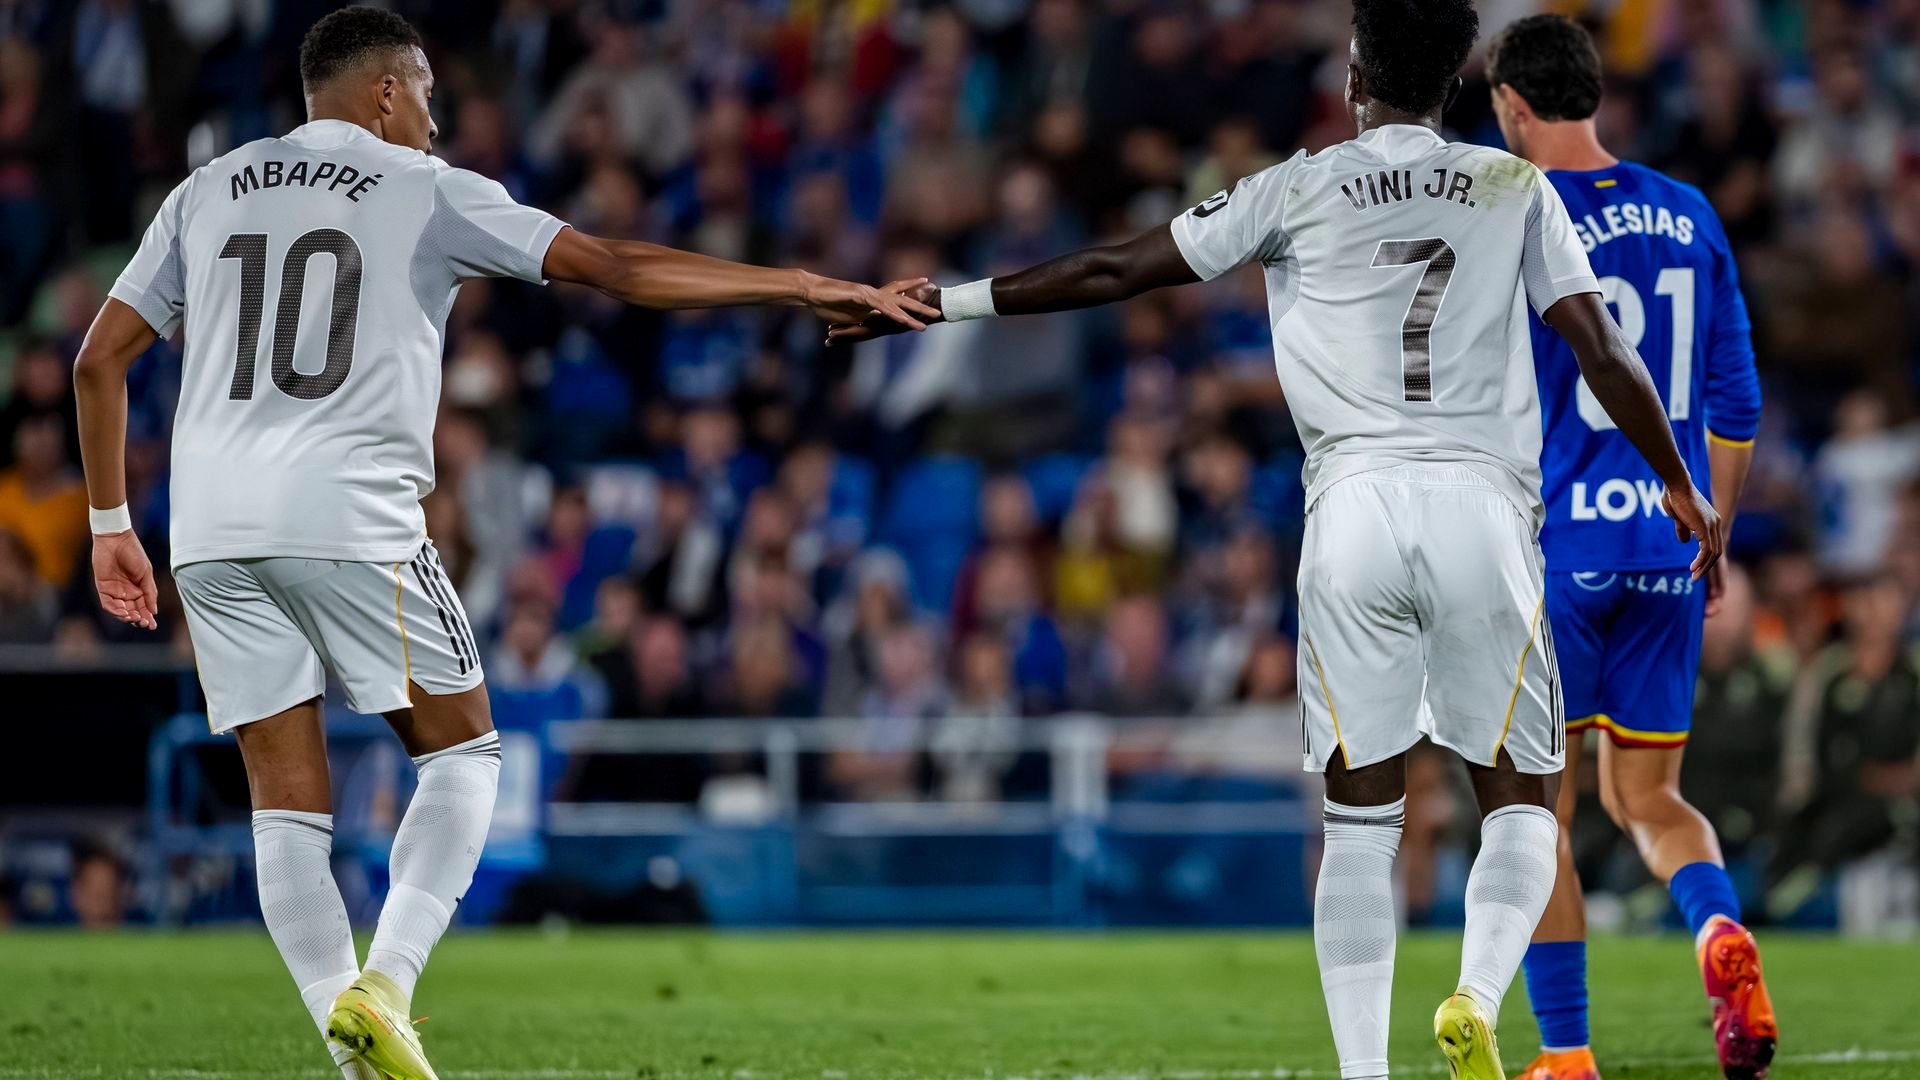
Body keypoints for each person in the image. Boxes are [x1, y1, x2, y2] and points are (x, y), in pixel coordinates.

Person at [832, 2, 1724, 1075]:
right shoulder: (1513, 189)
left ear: (1355, 76)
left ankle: (1363, 1074)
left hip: (1350, 512)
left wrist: (949, 302)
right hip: (1483, 511)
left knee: (1359, 825)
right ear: (1457, 83)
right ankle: (1478, 1000)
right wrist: (1682, 485)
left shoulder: (1296, 185)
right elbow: (1600, 347)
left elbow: (1119, 271)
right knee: (1524, 805)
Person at [68, 8, 935, 1080]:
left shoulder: (207, 189)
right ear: (386, 91)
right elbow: (614, 264)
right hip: (346, 513)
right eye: (427, 92)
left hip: (206, 530)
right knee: (467, 755)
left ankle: (354, 1053)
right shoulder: (424, 189)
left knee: (284, 804)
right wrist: (803, 285)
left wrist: (112, 526)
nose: (436, 119)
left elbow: (97, 362)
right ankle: (385, 987)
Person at [1485, 16, 1774, 1080]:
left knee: (1537, 813)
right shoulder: (1692, 212)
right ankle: (1716, 933)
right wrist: (1713, 528)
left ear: (1514, 103)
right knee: (1649, 798)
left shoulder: (1516, 209)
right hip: (1667, 544)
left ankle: (1566, 1058)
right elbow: (1735, 399)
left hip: (1557, 547)